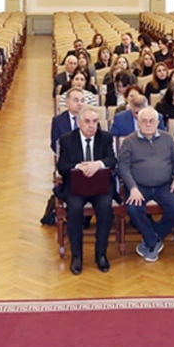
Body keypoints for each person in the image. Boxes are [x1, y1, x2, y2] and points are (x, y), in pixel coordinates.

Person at [118, 107, 174, 262]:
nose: (148, 124)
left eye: (151, 121)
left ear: (158, 122)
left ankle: (151, 240)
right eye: (144, 121)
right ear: (138, 122)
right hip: (139, 186)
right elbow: (123, 167)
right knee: (133, 209)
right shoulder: (129, 141)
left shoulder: (168, 139)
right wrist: (132, 188)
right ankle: (153, 242)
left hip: (164, 185)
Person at [56, 106, 116, 274]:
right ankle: (77, 256)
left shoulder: (105, 138)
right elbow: (62, 167)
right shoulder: (67, 139)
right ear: (78, 122)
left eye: (95, 122)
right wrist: (78, 167)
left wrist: (99, 164)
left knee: (105, 208)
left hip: (100, 187)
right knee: (74, 209)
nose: (91, 126)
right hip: (76, 187)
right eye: (87, 121)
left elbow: (112, 160)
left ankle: (101, 254)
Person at [50, 88, 86, 152]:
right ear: (67, 102)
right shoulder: (58, 121)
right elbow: (55, 144)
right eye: (76, 100)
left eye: (82, 101)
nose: (80, 103)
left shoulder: (91, 119)